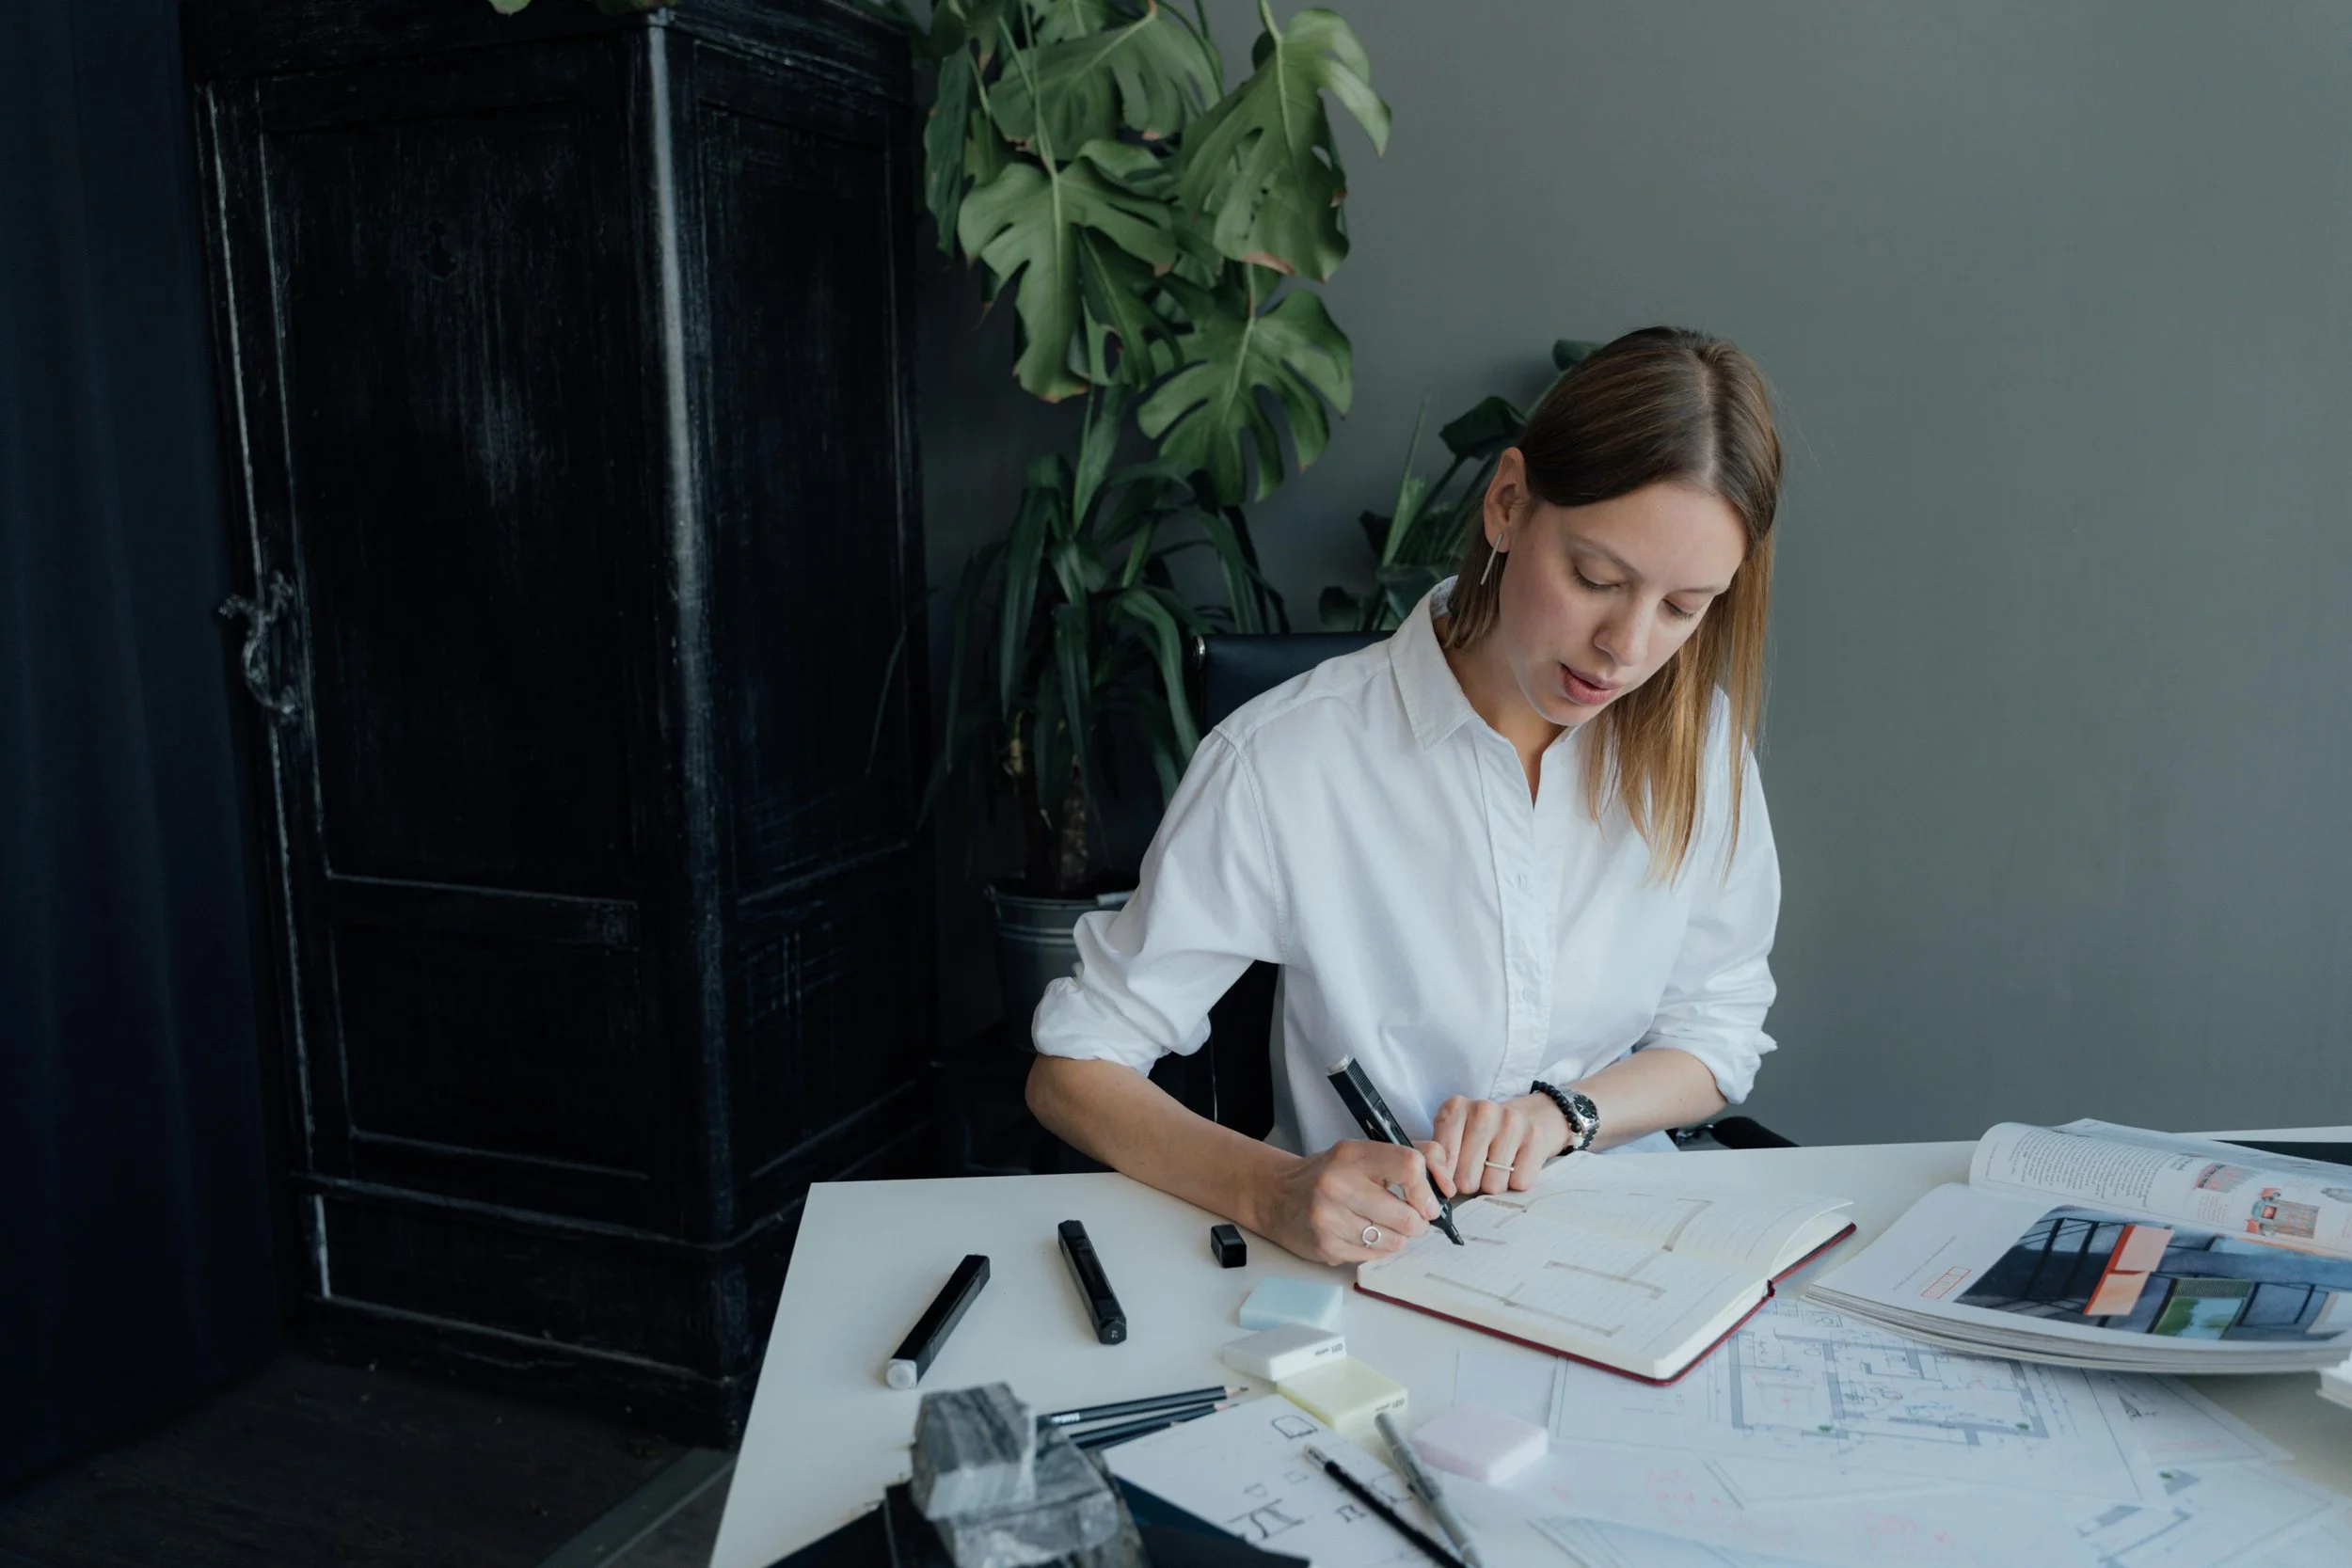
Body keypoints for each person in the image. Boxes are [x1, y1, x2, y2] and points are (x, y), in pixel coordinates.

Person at [1026, 325, 1785, 1265]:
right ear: (1506, 505)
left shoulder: (1697, 745)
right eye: (1596, 578)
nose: (1626, 647)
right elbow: (1074, 1069)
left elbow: (1717, 1030)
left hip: (1627, 1256)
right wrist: (1270, 1187)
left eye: (1683, 606)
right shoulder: (1288, 759)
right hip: (1368, 1269)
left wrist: (1564, 1113)